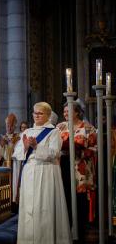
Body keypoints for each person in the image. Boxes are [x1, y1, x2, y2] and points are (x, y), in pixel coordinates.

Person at [14, 102, 71, 243]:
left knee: (44, 208)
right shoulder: (27, 132)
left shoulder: (53, 132)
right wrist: (26, 147)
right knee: (29, 208)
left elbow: (54, 153)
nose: (36, 115)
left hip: (46, 172)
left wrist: (36, 146)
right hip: (29, 173)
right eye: (35, 113)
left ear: (48, 115)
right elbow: (17, 154)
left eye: (40, 113)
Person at [56, 101, 97, 241]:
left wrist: (81, 149)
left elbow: (94, 148)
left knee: (80, 200)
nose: (65, 114)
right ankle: (67, 233)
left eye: (68, 111)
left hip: (81, 167)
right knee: (66, 197)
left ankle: (80, 232)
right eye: (64, 111)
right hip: (64, 165)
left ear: (77, 112)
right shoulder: (60, 127)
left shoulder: (88, 127)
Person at [0, 113, 20, 209]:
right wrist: (2, 146)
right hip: (5, 165)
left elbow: (19, 151)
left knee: (14, 184)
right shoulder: (3, 138)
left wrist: (11, 144)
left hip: (14, 165)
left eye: (11, 125)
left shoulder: (18, 137)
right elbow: (0, 155)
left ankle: (14, 203)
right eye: (7, 125)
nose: (9, 127)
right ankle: (5, 204)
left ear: (15, 126)